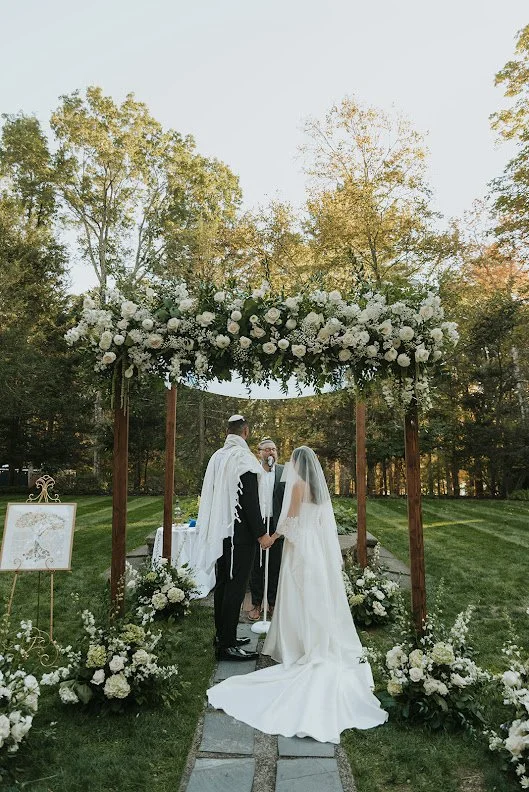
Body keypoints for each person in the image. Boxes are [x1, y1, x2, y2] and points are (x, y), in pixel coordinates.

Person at [207, 446, 388, 742]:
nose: (288, 466)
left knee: (298, 599)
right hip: (316, 550)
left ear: (298, 465)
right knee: (316, 599)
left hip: (298, 551)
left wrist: (272, 537)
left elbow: (290, 522)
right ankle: (315, 640)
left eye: (291, 461)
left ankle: (298, 645)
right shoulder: (317, 488)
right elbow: (316, 522)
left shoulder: (299, 486)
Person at [194, 415, 273, 662]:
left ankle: (223, 635)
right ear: (246, 432)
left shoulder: (217, 457)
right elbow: (249, 502)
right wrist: (261, 533)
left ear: (228, 431)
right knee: (235, 588)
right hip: (240, 537)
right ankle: (226, 645)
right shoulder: (244, 458)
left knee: (223, 586)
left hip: (221, 533)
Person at [248, 438, 285, 621]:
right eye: (267, 449)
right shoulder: (253, 472)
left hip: (275, 524)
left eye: (273, 449)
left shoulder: (283, 472)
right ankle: (256, 603)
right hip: (256, 522)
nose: (271, 452)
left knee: (275, 565)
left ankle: (272, 602)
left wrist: (279, 530)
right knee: (256, 565)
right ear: (259, 452)